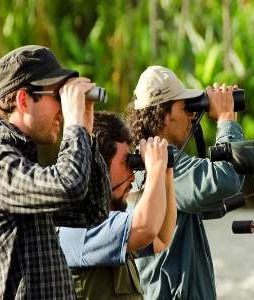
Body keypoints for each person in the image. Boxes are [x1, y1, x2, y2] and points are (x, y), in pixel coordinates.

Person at [0, 45, 109, 299]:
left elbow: (93, 212)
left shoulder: (28, 163)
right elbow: (70, 184)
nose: (63, 110)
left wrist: (86, 134)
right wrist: (74, 125)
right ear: (23, 100)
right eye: (57, 96)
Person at [125, 66, 245, 299]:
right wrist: (226, 119)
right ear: (164, 114)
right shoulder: (163, 165)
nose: (192, 115)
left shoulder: (142, 160)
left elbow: (214, 197)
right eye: (186, 108)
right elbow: (227, 179)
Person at [59, 111, 176, 299]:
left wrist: (165, 172)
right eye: (126, 163)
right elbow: (146, 228)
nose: (132, 173)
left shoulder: (111, 223)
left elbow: (162, 237)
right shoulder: (79, 226)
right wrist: (155, 169)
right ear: (100, 167)